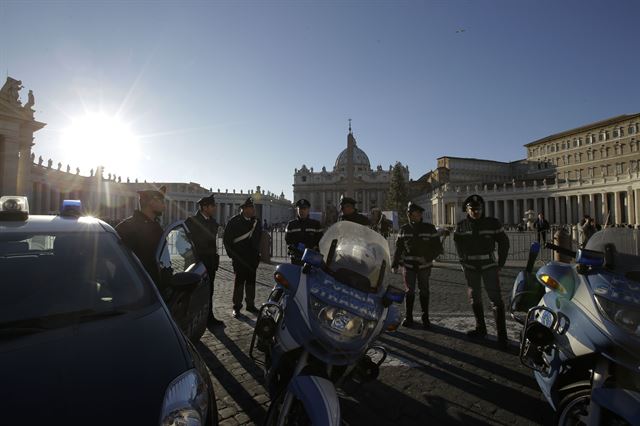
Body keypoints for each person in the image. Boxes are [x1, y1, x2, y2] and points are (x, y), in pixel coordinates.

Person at [454, 194, 510, 350]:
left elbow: (504, 242)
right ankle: (481, 328)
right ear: (467, 209)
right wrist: (462, 261)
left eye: (478, 209)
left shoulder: (492, 223)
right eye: (472, 209)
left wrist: (501, 262)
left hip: (488, 265)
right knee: (474, 297)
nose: (475, 212)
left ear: (482, 209)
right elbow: (458, 243)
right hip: (471, 266)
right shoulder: (461, 225)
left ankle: (502, 335)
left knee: (496, 299)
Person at [392, 202, 443, 329]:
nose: (409, 215)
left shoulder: (430, 228)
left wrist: (427, 258)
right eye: (408, 213)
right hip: (408, 266)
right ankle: (409, 317)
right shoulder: (404, 229)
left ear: (420, 215)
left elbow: (438, 248)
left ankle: (425, 318)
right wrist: (395, 263)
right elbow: (398, 248)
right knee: (409, 292)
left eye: (412, 213)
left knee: (424, 291)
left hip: (424, 266)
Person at [185, 194, 224, 328]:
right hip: (197, 262)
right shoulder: (191, 221)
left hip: (211, 262)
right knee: (195, 292)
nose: (214, 208)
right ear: (204, 207)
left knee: (210, 290)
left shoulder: (213, 222)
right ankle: (192, 320)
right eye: (212, 206)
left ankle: (209, 317)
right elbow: (185, 241)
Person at [115, 185, 167, 285]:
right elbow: (118, 260)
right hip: (138, 287)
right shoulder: (126, 227)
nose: (164, 205)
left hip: (156, 285)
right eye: (161, 201)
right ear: (152, 202)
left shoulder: (157, 227)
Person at [223, 197, 262, 318]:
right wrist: (233, 256)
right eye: (250, 208)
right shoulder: (234, 221)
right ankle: (237, 307)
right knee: (239, 283)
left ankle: (250, 304)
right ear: (244, 209)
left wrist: (257, 255)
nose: (252, 210)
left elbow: (258, 238)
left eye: (253, 208)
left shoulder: (256, 222)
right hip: (239, 258)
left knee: (251, 282)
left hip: (252, 259)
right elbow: (226, 240)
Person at [285, 199, 323, 265]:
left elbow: (320, 240)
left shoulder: (315, 224)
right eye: (299, 209)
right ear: (297, 210)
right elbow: (288, 240)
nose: (302, 211)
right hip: (296, 257)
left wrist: (313, 248)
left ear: (308, 210)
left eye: (304, 209)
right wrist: (295, 248)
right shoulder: (291, 224)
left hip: (311, 257)